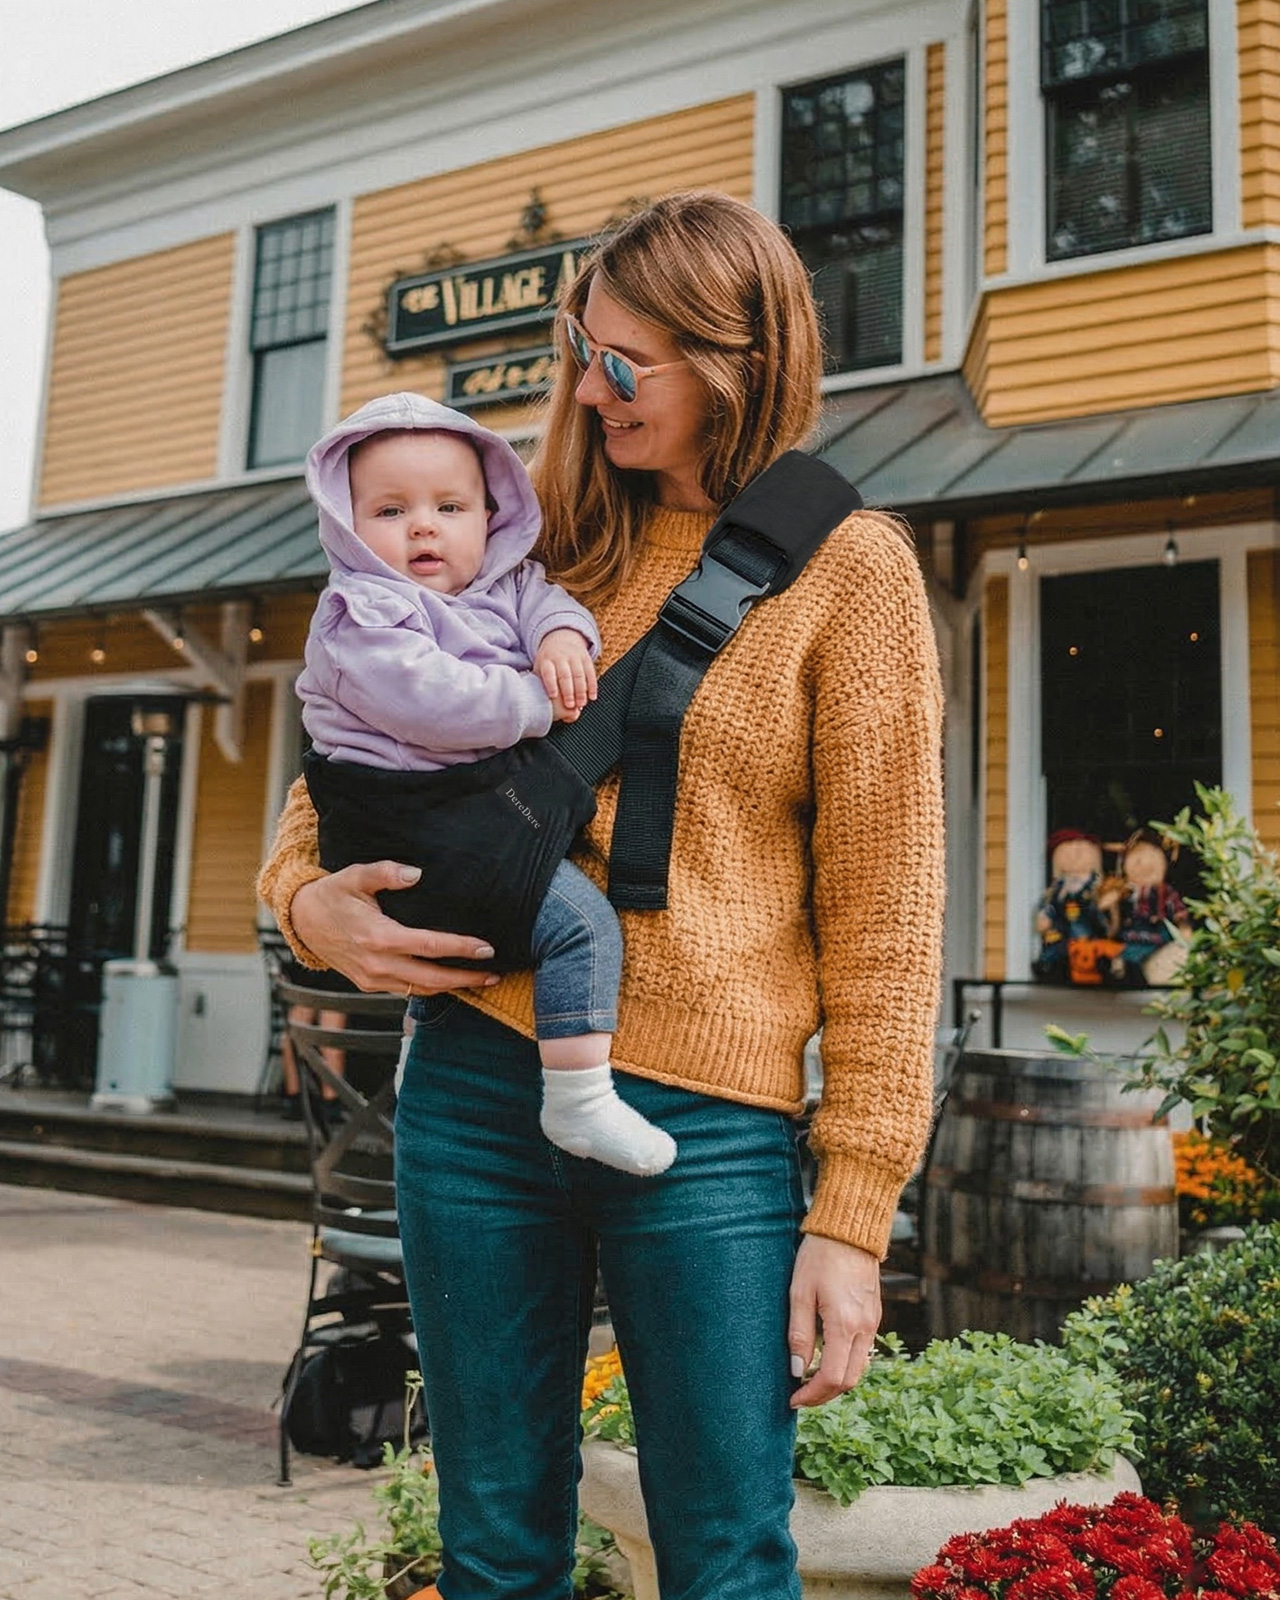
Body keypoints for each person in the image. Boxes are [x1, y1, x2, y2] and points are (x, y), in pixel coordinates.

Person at [258, 189, 945, 1600]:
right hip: (471, 1086)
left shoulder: (849, 576)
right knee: (494, 1545)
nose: (586, 388)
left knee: (725, 1549)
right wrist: (304, 906)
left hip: (711, 1124)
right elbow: (338, 767)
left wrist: (853, 1213)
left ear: (734, 359)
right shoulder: (525, 547)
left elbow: (888, 913)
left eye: (622, 362)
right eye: (584, 350)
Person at [295, 391, 674, 1176]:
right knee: (580, 927)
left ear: (491, 517)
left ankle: (426, 1049)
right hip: (405, 820)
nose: (423, 526)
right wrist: (541, 702)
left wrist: (563, 638)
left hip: (475, 808)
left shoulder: (505, 583)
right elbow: (434, 705)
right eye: (391, 510)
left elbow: (548, 603)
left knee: (478, 949)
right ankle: (579, 1097)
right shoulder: (360, 613)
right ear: (347, 526)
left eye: (450, 506)